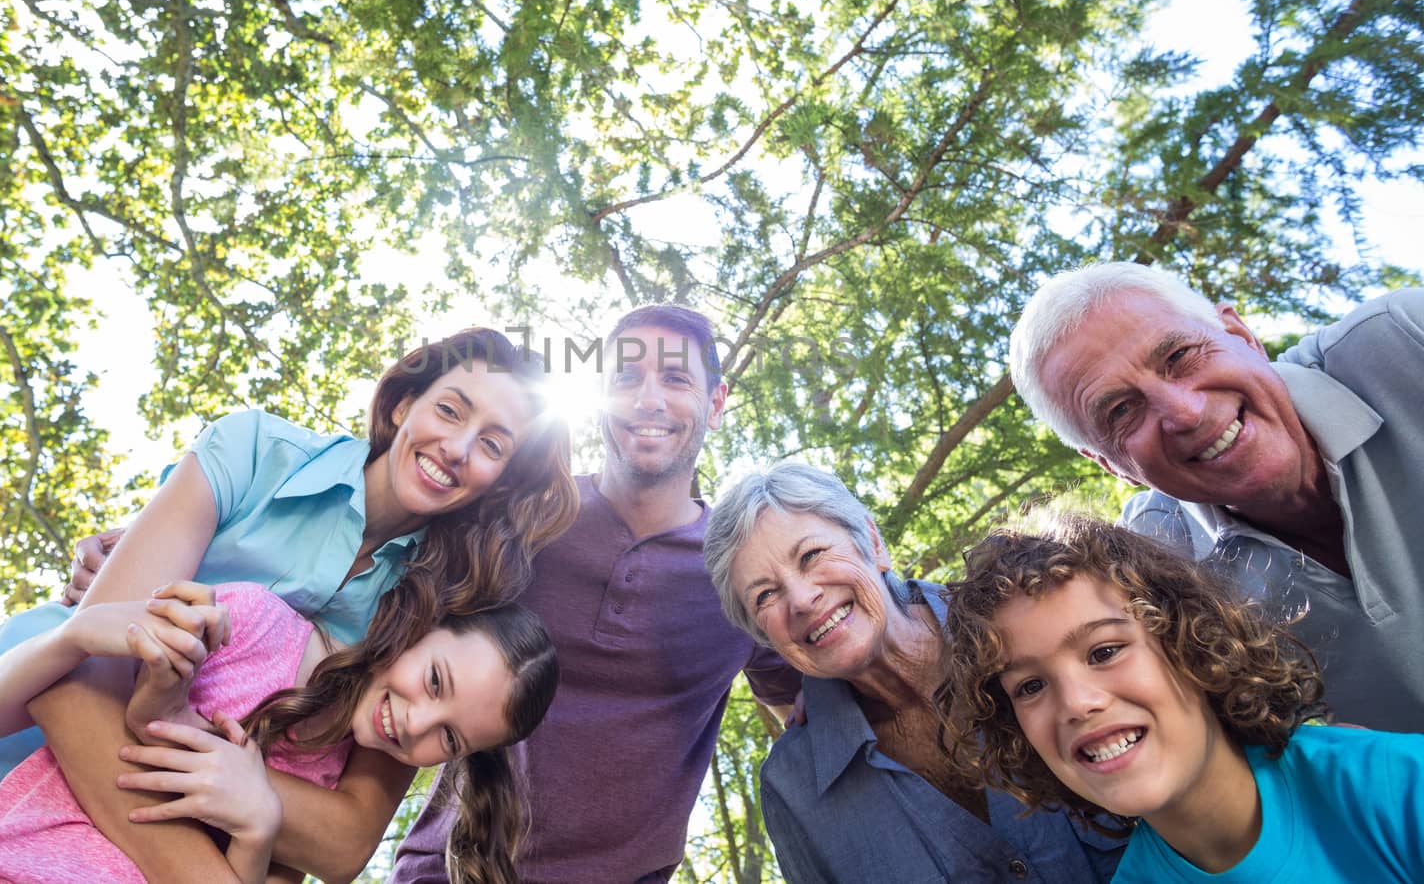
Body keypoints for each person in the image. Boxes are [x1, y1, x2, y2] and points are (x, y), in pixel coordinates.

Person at [0, 328, 580, 883]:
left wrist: (248, 797)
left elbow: (346, 839)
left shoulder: (432, 621)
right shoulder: (254, 451)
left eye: (493, 444)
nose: (457, 446)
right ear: (403, 402)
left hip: (97, 856)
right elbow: (82, 673)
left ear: (501, 480)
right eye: (450, 409)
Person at [390, 305, 801, 883]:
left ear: (715, 401)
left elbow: (813, 722)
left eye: (677, 379)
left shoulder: (745, 569)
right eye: (626, 378)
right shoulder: (519, 514)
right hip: (447, 872)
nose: (648, 400)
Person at [0, 579, 558, 884]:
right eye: (436, 681)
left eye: (446, 740)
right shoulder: (251, 623)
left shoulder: (327, 794)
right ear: (419, 629)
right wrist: (78, 631)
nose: (416, 720)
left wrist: (256, 827)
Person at [1008, 263, 1424, 733]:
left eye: (1181, 355)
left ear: (1243, 336)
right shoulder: (1150, 570)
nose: (1186, 412)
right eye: (1122, 410)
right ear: (1113, 467)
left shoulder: (1408, 340)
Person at [939, 513, 1424, 883]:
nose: (1077, 703)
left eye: (1105, 651)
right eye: (1029, 686)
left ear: (1191, 646)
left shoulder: (1394, 788)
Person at [703, 463, 1123, 883]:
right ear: (764, 635)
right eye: (765, 595)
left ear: (872, 542)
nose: (801, 600)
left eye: (811, 555)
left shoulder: (1021, 623)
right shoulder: (794, 787)